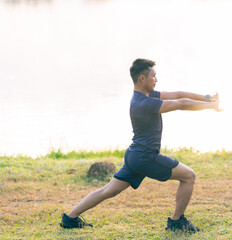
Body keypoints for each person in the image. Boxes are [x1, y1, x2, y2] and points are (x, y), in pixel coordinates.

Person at [59, 58, 222, 232]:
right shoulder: (144, 103)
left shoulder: (145, 97)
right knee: (188, 176)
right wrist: (210, 106)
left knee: (108, 191)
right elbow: (180, 104)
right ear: (142, 79)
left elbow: (177, 94)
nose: (156, 79)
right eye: (154, 76)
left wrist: (207, 98)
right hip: (145, 157)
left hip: (134, 156)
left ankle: (70, 218)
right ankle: (176, 222)